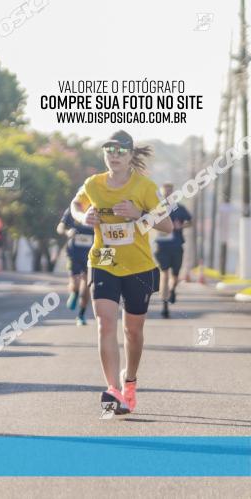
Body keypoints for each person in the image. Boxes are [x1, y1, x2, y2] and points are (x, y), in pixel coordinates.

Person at [70, 130, 172, 415]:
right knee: (105, 323)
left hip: (139, 265)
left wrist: (138, 214)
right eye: (109, 151)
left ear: (130, 156)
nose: (113, 156)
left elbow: (167, 226)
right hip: (103, 259)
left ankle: (130, 382)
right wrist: (82, 217)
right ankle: (112, 390)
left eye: (120, 152)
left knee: (133, 331)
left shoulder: (145, 187)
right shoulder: (94, 184)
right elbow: (75, 205)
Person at [153, 182, 192, 318]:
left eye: (170, 193)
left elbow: (191, 222)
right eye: (165, 193)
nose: (167, 195)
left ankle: (172, 289)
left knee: (175, 276)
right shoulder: (156, 209)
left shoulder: (179, 209)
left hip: (176, 246)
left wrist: (181, 225)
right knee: (164, 274)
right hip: (161, 247)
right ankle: (165, 306)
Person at [56, 206, 94, 325]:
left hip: (92, 254)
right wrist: (67, 232)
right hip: (74, 253)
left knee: (87, 285)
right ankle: (74, 292)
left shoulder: (98, 207)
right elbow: (60, 227)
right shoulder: (74, 208)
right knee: (75, 282)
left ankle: (81, 315)